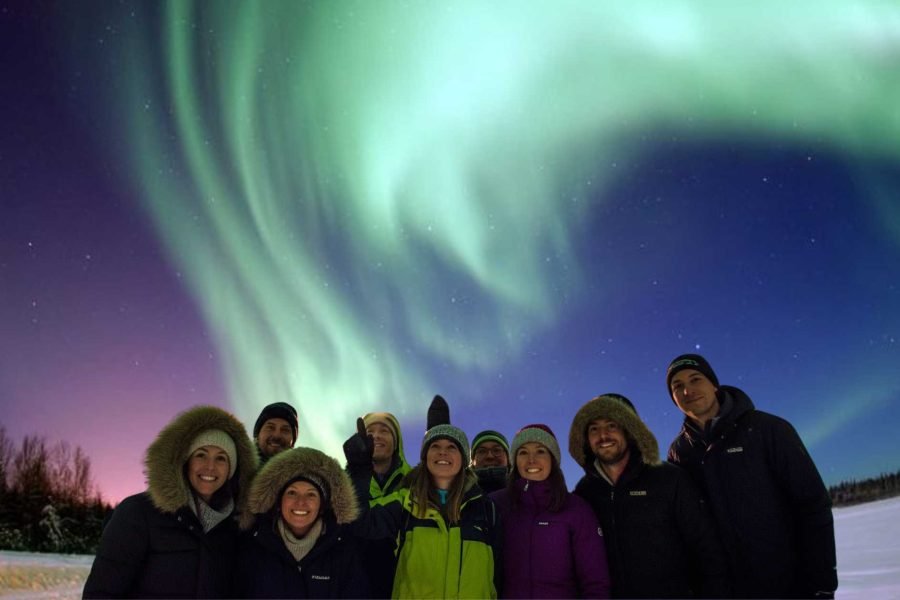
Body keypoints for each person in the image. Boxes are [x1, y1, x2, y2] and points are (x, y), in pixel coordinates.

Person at [666, 353, 838, 598]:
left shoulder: (768, 429)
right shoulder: (679, 453)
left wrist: (822, 583)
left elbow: (812, 506)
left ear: (713, 384)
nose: (687, 391)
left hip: (788, 583)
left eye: (695, 379)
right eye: (678, 386)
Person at [83, 405, 257, 598]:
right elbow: (102, 592)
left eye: (221, 458)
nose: (210, 466)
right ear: (186, 461)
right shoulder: (138, 513)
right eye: (201, 455)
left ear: (231, 470)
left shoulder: (233, 527)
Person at [568, 393, 729, 599]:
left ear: (630, 430)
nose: (603, 436)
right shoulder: (584, 492)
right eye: (594, 429)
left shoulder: (669, 479)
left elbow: (708, 552)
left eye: (612, 425)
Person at [344, 395, 502, 599]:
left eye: (451, 447)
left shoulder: (486, 508)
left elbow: (499, 571)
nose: (442, 453)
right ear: (425, 458)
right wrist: (358, 469)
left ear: (463, 459)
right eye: (435, 447)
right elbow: (360, 523)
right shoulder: (405, 502)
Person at [491, 424, 610, 599]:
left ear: (553, 459)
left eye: (540, 451)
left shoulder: (576, 509)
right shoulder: (496, 504)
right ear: (514, 460)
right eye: (523, 452)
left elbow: (595, 582)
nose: (531, 459)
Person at [237, 446, 368, 598]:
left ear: (322, 506)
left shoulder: (344, 552)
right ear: (279, 502)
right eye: (292, 493)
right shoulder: (252, 548)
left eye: (311, 495)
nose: (301, 502)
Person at [358, 412, 412, 598]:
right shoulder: (344, 481)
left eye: (385, 431)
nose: (377, 435)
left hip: (404, 586)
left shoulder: (416, 482)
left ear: (396, 441)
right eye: (369, 431)